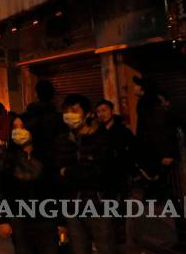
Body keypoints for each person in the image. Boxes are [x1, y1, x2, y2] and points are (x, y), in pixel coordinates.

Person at [53, 93, 117, 254]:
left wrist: (69, 172)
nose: (69, 115)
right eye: (66, 111)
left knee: (106, 248)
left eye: (74, 110)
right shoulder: (64, 141)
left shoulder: (101, 138)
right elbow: (58, 176)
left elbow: (100, 173)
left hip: (98, 207)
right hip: (72, 209)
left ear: (88, 114)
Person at [0, 114, 58, 254]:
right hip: (19, 219)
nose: (18, 131)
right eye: (15, 127)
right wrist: (3, 220)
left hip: (46, 219)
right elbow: (0, 190)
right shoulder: (6, 157)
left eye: (22, 127)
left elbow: (56, 188)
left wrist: (61, 222)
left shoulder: (47, 156)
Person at [95, 99, 136, 194]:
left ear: (112, 111)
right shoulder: (98, 132)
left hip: (121, 174)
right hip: (103, 175)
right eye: (98, 112)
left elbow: (133, 149)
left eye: (104, 110)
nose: (101, 114)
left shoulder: (123, 130)